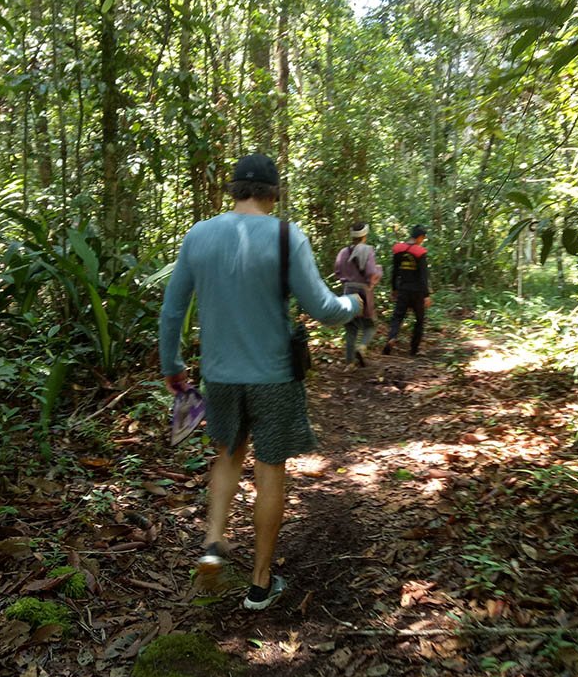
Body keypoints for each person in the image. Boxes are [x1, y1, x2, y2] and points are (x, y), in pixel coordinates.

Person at [159, 153, 362, 611]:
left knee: (227, 456)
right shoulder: (288, 236)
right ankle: (259, 584)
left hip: (220, 375)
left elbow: (172, 310)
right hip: (273, 377)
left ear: (234, 189)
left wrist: (172, 365)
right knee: (270, 470)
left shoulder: (199, 236)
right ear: (274, 193)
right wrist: (354, 305)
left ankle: (213, 542)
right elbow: (323, 309)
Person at [333, 221, 383, 368]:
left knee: (350, 327)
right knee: (370, 324)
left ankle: (349, 364)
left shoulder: (343, 252)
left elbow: (337, 271)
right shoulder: (368, 250)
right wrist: (379, 271)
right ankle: (362, 347)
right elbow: (371, 273)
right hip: (363, 291)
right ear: (365, 235)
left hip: (348, 291)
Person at [382, 224, 432, 357]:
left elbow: (394, 271)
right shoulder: (420, 252)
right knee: (419, 320)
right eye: (423, 238)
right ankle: (413, 350)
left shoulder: (399, 250)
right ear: (420, 237)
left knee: (397, 317)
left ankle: (391, 338)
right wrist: (426, 295)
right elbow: (423, 275)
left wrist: (394, 288)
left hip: (403, 289)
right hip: (417, 292)